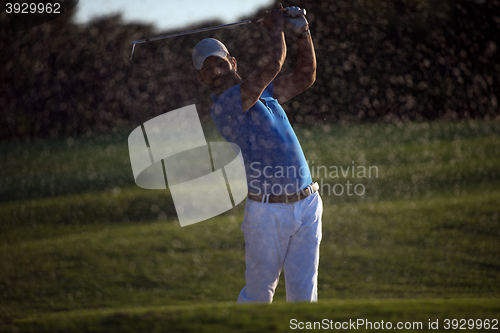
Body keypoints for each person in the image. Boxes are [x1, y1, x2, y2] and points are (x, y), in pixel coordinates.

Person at [192, 5, 322, 303]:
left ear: (232, 62)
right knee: (258, 298)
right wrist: (275, 28)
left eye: (220, 63)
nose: (215, 71)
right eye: (207, 69)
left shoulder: (266, 92)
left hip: (307, 205)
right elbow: (274, 63)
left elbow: (306, 76)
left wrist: (303, 33)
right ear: (201, 79)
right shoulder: (224, 107)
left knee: (305, 298)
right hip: (266, 213)